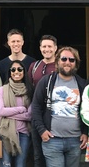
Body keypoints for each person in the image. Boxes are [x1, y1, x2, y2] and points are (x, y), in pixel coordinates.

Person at [31, 47, 89, 167]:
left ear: (76, 63)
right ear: (57, 61)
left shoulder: (82, 84)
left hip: (75, 140)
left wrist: (85, 132)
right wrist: (42, 130)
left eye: (71, 60)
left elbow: (88, 110)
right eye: (64, 59)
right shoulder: (46, 81)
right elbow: (36, 107)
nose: (67, 62)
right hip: (52, 139)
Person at [27, 35, 58, 167]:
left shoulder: (61, 66)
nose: (47, 49)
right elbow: (28, 89)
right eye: (44, 46)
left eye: (50, 46)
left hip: (56, 115)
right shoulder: (34, 66)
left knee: (54, 153)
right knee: (37, 155)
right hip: (37, 114)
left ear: (55, 48)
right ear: (40, 48)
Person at [0, 59, 33, 167]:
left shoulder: (30, 90)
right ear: (10, 72)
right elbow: (1, 111)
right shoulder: (2, 89)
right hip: (6, 133)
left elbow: (29, 116)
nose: (16, 72)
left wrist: (9, 114)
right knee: (6, 165)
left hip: (24, 134)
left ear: (24, 71)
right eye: (13, 69)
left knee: (20, 164)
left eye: (19, 69)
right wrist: (21, 109)